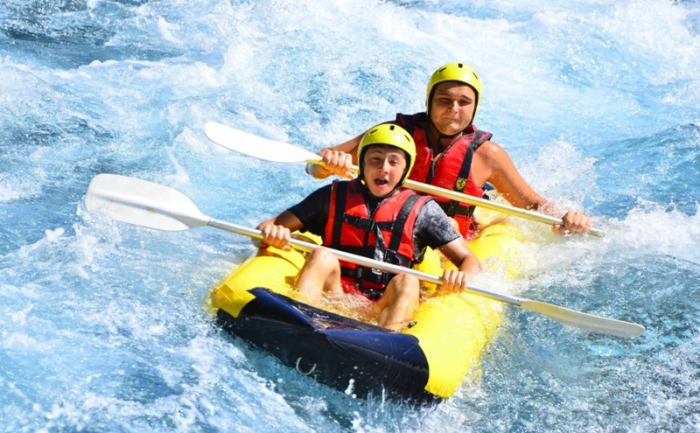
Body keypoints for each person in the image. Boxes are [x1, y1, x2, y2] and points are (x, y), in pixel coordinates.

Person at [307, 62, 592, 239]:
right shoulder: (393, 136)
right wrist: (329, 162)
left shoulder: (487, 155)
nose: (453, 109)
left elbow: (532, 205)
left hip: (445, 243)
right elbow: (315, 167)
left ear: (474, 108)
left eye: (464, 102)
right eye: (444, 99)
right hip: (383, 229)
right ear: (429, 102)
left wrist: (566, 218)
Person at [257, 124, 481, 331]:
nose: (383, 168)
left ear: (405, 169)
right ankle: (296, 323)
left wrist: (461, 277)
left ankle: (388, 339)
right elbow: (266, 228)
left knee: (408, 280)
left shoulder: (424, 211)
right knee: (321, 255)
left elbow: (470, 261)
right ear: (362, 164)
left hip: (383, 305)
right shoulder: (332, 196)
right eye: (375, 159)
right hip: (334, 294)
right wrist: (273, 233)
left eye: (394, 162)